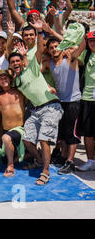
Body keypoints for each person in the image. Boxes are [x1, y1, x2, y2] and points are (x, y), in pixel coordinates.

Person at [8, 19, 63, 185]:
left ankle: (45, 171)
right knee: (27, 139)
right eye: (13, 62)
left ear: (22, 61)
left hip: (51, 106)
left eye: (18, 61)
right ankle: (39, 160)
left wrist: (40, 32)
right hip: (36, 110)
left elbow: (39, 49)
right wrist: (11, 37)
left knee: (43, 140)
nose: (16, 63)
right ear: (10, 65)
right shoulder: (16, 82)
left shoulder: (32, 66)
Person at [41, 36, 85, 174]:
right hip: (60, 102)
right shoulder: (49, 63)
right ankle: (63, 157)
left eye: (56, 46)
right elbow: (36, 72)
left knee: (72, 134)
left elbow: (81, 46)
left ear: (62, 47)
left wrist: (70, 47)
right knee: (63, 133)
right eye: (51, 47)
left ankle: (70, 162)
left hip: (74, 101)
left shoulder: (70, 59)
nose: (54, 49)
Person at [75, 31, 95, 171]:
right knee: (88, 133)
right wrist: (82, 41)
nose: (93, 43)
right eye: (90, 41)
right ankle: (90, 161)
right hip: (87, 98)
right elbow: (74, 55)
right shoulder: (86, 54)